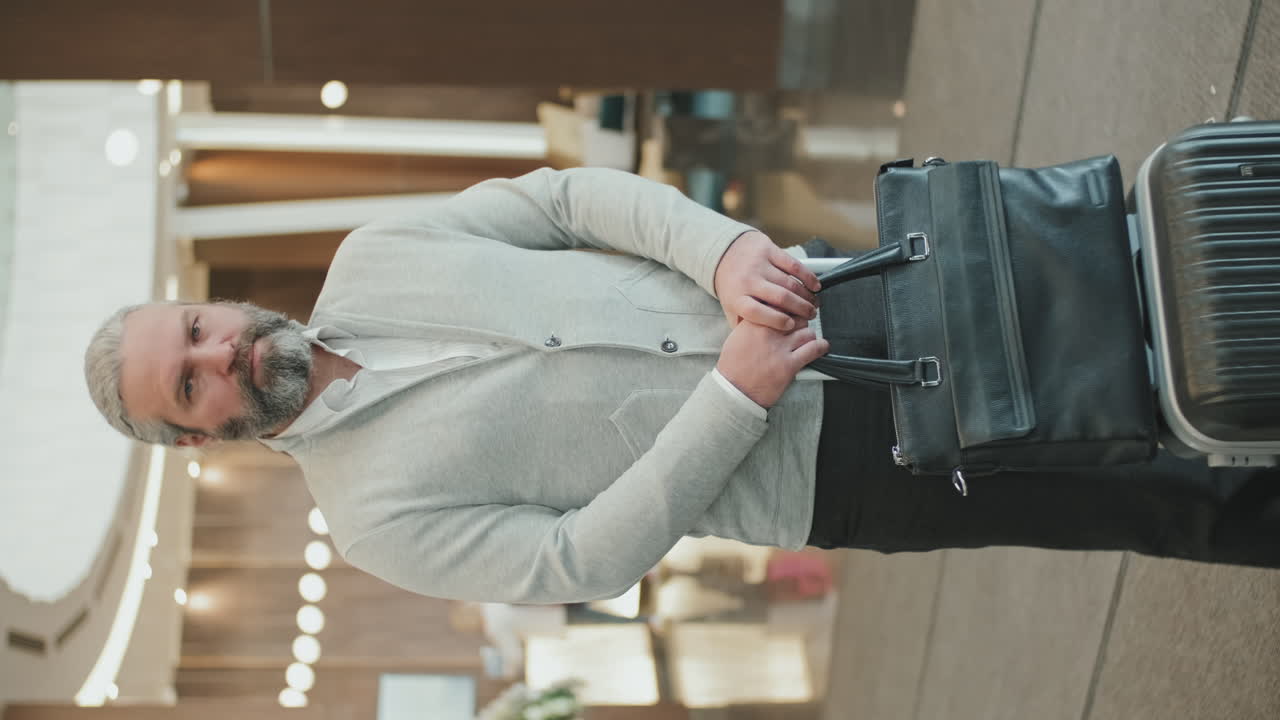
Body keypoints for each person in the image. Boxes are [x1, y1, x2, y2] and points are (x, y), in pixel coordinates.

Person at [83, 167, 1280, 605]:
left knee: (1115, 284)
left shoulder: (374, 255)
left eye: (195, 329)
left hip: (826, 291)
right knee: (1146, 497)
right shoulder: (371, 524)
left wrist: (718, 254)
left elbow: (563, 202)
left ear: (210, 304)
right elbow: (575, 562)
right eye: (186, 383)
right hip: (839, 475)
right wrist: (732, 399)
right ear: (197, 439)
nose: (218, 354)